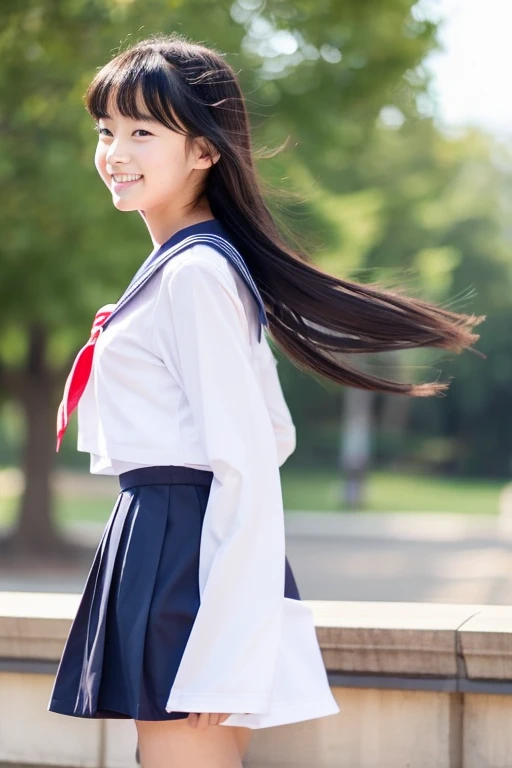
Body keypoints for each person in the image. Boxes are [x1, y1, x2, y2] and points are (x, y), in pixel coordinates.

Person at [47, 32, 483, 768]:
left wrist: (225, 641)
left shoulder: (196, 276)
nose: (115, 153)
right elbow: (271, 428)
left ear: (204, 151)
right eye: (106, 131)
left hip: (185, 550)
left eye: (142, 132)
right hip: (163, 536)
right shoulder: (182, 267)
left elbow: (248, 456)